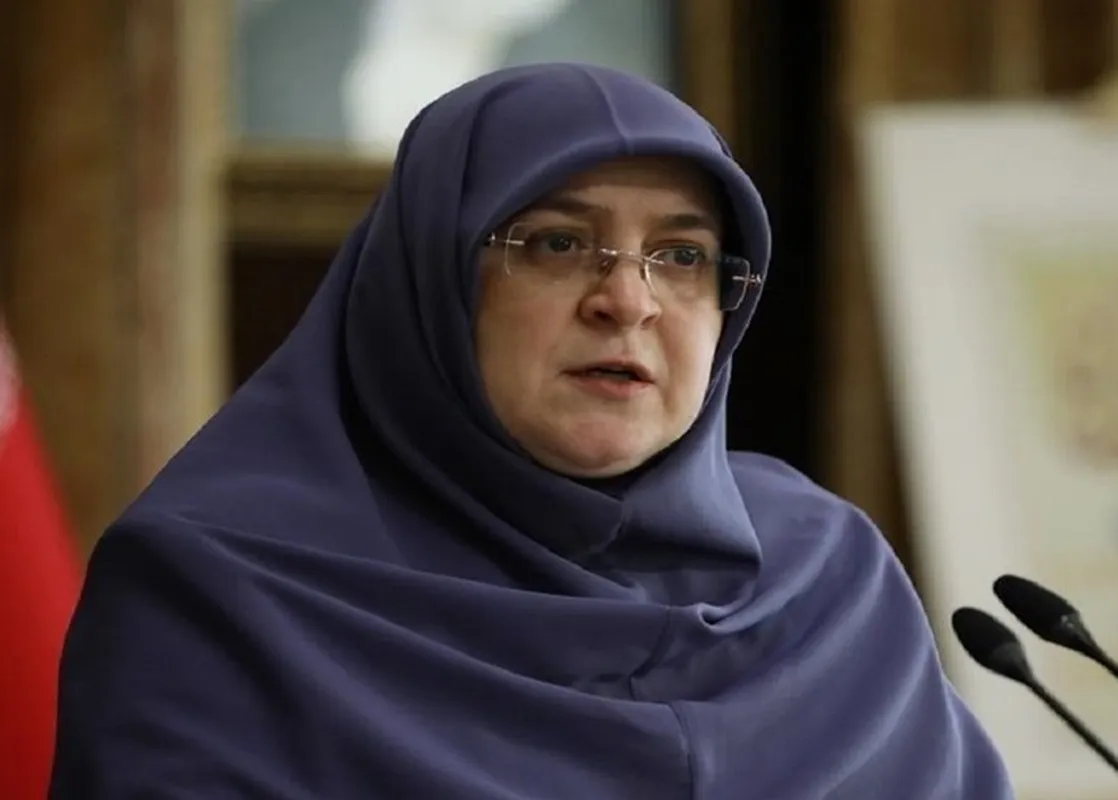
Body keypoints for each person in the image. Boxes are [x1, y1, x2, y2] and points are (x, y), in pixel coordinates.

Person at [50, 63, 1014, 798]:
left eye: (682, 255)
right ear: (431, 281)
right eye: (558, 243)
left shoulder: (827, 581)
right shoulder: (223, 587)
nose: (628, 300)